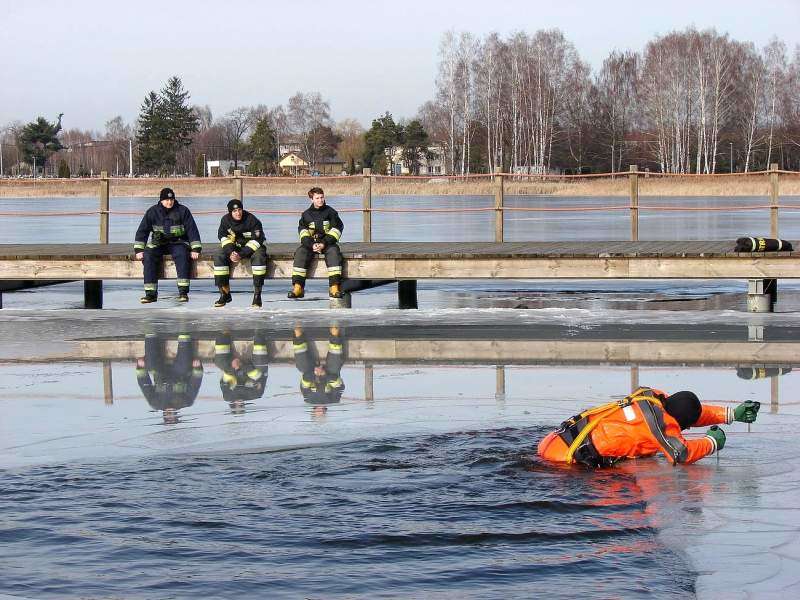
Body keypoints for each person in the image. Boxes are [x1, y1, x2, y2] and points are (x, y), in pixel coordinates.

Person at [537, 386, 761, 468]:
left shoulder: (653, 397)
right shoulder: (661, 427)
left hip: (556, 438)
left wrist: (730, 414)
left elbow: (689, 413)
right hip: (562, 459)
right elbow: (681, 454)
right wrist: (712, 443)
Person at [133, 187, 202, 303]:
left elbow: (192, 230)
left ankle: (183, 293)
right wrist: (139, 250)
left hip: (178, 242)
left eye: (171, 200)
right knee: (148, 255)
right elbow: (142, 231)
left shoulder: (183, 211)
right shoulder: (152, 212)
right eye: (167, 200)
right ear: (161, 200)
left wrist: (196, 249)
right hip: (159, 243)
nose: (169, 202)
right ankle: (150, 294)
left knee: (182, 255)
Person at [287, 187, 345, 299]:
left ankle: (334, 288)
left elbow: (337, 229)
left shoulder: (331, 212)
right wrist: (311, 244)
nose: (320, 200)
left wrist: (323, 243)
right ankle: (298, 288)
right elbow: (302, 232)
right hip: (311, 244)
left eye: (322, 197)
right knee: (300, 252)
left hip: (328, 244)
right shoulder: (306, 215)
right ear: (311, 199)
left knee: (334, 253)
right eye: (317, 198)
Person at [135, 332, 203, 424]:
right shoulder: (186, 402)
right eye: (172, 416)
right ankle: (184, 337)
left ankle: (151, 336)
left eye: (167, 416)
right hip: (180, 373)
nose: (170, 414)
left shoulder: (155, 403)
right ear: (177, 415)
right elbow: (195, 384)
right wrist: (197, 368)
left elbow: (144, 384)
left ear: (164, 415)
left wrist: (140, 368)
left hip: (160, 373)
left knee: (150, 365)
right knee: (184, 365)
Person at [213, 199, 268, 308]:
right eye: (234, 211)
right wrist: (231, 252)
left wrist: (241, 254)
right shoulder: (225, 220)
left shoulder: (252, 220)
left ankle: (257, 296)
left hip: (253, 246)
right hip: (235, 247)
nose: (238, 213)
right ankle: (224, 294)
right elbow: (223, 237)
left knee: (259, 257)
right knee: (219, 255)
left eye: (239, 210)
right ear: (230, 212)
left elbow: (257, 240)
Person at [292, 324, 346, 418]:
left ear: (313, 411)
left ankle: (298, 335)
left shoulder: (308, 399)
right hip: (330, 372)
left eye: (317, 412)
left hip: (312, 372)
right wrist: (324, 374)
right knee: (335, 366)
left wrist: (314, 373)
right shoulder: (333, 400)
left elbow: (304, 382)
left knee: (301, 366)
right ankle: (335, 334)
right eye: (321, 413)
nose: (319, 410)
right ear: (325, 412)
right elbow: (338, 385)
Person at [213, 330, 269, 414]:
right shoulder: (256, 394)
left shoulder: (227, 395)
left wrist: (233, 367)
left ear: (232, 404)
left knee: (220, 362)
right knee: (260, 361)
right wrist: (242, 366)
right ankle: (259, 336)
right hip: (252, 368)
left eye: (236, 405)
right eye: (241, 406)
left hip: (234, 369)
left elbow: (225, 379)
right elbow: (258, 377)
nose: (239, 403)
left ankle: (224, 335)